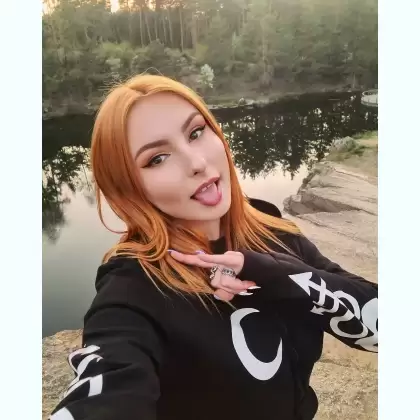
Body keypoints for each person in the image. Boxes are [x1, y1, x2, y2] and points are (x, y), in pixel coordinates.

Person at [50, 74, 378, 420]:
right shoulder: (134, 291)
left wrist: (283, 277)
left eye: (196, 132)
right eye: (157, 158)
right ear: (128, 189)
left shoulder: (272, 232)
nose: (196, 163)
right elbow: (108, 386)